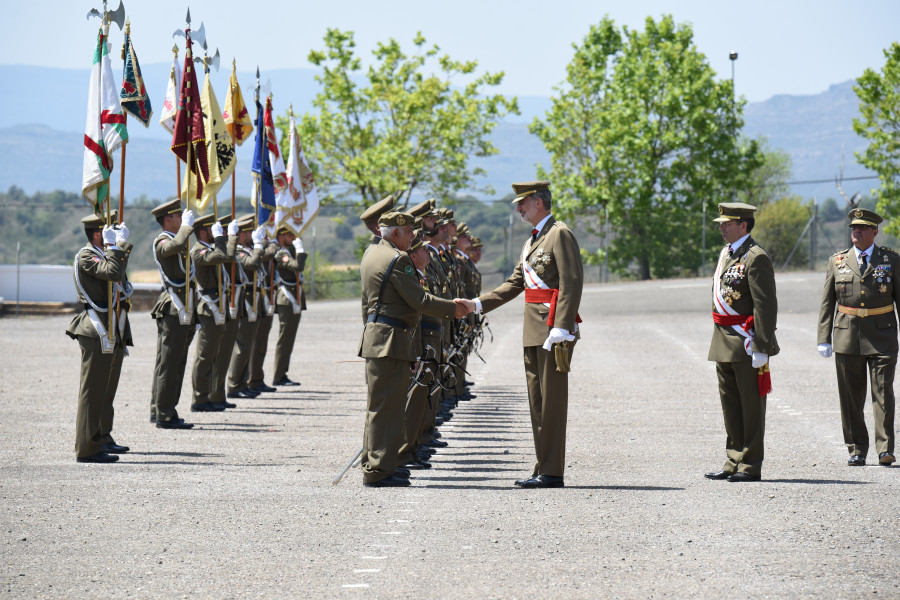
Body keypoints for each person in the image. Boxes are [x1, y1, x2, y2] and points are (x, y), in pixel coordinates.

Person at [457, 181, 583, 488]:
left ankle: (552, 472)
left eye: (522, 202)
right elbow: (515, 284)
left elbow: (572, 281)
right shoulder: (533, 241)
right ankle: (543, 466)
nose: (518, 208)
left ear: (538, 202)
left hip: (553, 330)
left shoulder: (559, 234)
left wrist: (561, 326)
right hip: (533, 330)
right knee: (537, 402)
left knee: (551, 402)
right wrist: (476, 304)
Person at [358, 211, 464, 487]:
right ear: (395, 233)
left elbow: (366, 304)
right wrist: (455, 308)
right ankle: (380, 469)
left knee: (379, 407)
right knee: (389, 409)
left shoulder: (372, 254)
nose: (413, 239)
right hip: (392, 340)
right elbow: (420, 301)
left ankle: (376, 464)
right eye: (408, 234)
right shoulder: (398, 259)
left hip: (377, 336)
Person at [818, 208, 898, 467]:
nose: (857, 231)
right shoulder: (837, 261)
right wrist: (824, 337)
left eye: (863, 227)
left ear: (875, 232)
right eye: (854, 227)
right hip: (847, 335)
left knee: (883, 392)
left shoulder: (891, 260)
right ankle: (857, 448)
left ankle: (885, 448)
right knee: (851, 396)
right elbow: (827, 302)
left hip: (882, 335)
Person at [705, 202, 778, 482]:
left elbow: (765, 305)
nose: (721, 227)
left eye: (726, 223)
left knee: (751, 408)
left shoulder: (755, 257)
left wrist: (762, 345)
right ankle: (733, 459)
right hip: (723, 341)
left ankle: (749, 465)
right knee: (731, 406)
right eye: (721, 223)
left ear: (743, 226)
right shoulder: (727, 253)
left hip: (746, 343)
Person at [66, 212, 133, 463]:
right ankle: (87, 447)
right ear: (98, 234)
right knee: (91, 391)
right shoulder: (87, 256)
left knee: (106, 390)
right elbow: (113, 273)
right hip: (96, 329)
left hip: (112, 326)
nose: (115, 233)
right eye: (109, 230)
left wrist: (119, 247)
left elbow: (120, 279)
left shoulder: (105, 254)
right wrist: (117, 247)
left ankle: (101, 437)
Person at [149, 199, 196, 429]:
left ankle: (158, 408)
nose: (182, 218)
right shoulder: (163, 241)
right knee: (169, 362)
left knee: (173, 361)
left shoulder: (177, 240)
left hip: (183, 305)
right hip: (172, 305)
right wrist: (186, 229)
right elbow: (173, 248)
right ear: (168, 218)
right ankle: (165, 413)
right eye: (179, 216)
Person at [190, 213, 238, 412]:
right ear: (203, 232)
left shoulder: (209, 249)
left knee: (216, 354)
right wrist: (226, 238)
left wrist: (225, 238)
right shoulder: (199, 251)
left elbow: (227, 256)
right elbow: (224, 255)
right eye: (213, 229)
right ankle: (199, 399)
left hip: (219, 304)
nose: (219, 233)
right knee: (205, 355)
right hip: (208, 307)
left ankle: (213, 394)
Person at [227, 215, 267, 399]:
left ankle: (243, 383)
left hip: (254, 300)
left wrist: (259, 246)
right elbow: (252, 264)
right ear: (241, 235)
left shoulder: (248, 249)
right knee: (242, 346)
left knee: (248, 345)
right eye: (250, 232)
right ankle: (234, 384)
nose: (252, 235)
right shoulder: (239, 251)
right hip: (245, 301)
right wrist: (259, 247)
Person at [272, 225, 308, 387]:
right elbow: (297, 267)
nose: (293, 237)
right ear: (281, 237)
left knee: (289, 339)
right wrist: (300, 251)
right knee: (284, 339)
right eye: (290, 235)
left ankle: (282, 373)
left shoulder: (288, 252)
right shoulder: (281, 254)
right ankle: (278, 376)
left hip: (294, 298)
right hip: (287, 299)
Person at [246, 238, 279, 394]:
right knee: (253, 343)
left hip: (262, 298)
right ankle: (251, 379)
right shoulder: (251, 250)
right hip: (254, 299)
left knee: (261, 343)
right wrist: (273, 243)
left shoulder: (255, 248)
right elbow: (266, 254)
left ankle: (256, 378)